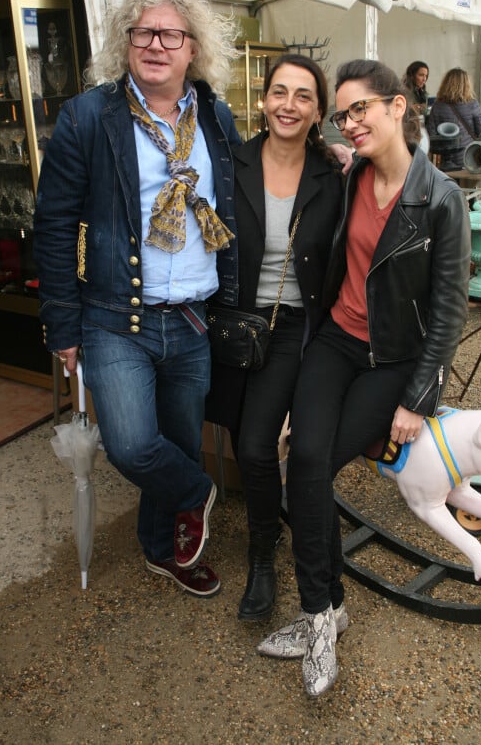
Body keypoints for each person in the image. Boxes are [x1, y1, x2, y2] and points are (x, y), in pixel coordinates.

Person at [258, 59, 471, 697]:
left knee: (316, 469)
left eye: (362, 111)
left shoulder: (440, 199)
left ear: (398, 107)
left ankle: (322, 613)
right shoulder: (350, 174)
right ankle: (324, 611)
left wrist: (416, 401)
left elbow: (448, 311)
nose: (351, 123)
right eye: (344, 113)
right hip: (333, 342)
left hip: (393, 362)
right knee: (305, 461)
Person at [33, 0, 241, 598]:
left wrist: (328, 155)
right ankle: (196, 492)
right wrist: (61, 324)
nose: (155, 44)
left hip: (193, 316)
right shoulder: (88, 116)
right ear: (125, 42)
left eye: (170, 34)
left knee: (179, 438)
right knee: (130, 445)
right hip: (111, 316)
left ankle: (162, 550)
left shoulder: (215, 115)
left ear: (192, 48)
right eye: (142, 32)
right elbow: (52, 225)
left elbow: (249, 181)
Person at [206, 54, 344, 623]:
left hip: (287, 328)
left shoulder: (333, 176)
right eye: (279, 93)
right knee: (244, 439)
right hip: (230, 321)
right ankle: (265, 531)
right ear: (262, 101)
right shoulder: (227, 163)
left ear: (318, 110)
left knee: (259, 445)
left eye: (303, 96)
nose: (289, 105)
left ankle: (262, 552)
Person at [426, 67, 481, 169]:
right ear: (466, 85)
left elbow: (431, 135)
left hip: (447, 160)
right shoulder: (472, 104)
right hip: (470, 156)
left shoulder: (437, 106)